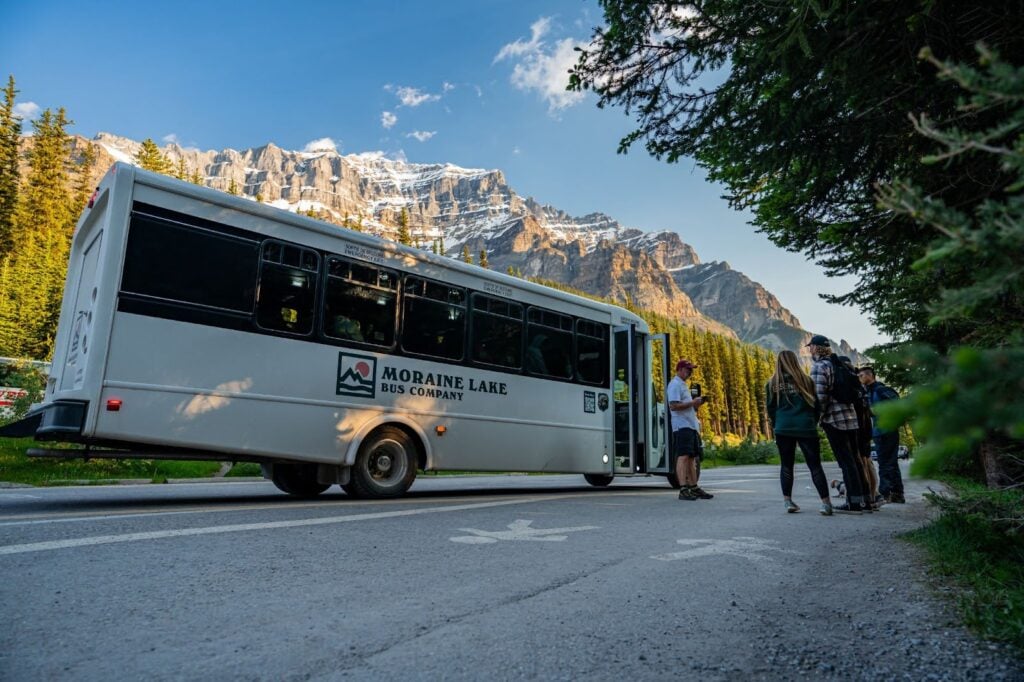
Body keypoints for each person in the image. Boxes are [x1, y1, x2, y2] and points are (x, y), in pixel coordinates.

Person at [766, 350, 833, 515]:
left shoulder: (772, 383)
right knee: (815, 466)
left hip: (783, 427)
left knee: (786, 465)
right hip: (806, 427)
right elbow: (816, 405)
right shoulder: (806, 380)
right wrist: (813, 421)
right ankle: (826, 503)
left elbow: (771, 408)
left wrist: (777, 425)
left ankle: (788, 501)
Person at [808, 335, 869, 513]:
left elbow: (820, 398)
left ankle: (854, 503)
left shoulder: (820, 367)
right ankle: (866, 500)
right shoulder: (840, 364)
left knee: (846, 462)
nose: (809, 350)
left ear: (817, 348)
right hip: (851, 419)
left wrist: (818, 418)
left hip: (834, 420)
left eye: (811, 346)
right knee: (856, 460)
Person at [857, 365, 906, 503]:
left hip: (887, 430)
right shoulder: (869, 391)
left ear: (869, 375)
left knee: (885, 463)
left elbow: (893, 408)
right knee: (891, 462)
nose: (859, 378)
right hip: (880, 431)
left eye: (861, 376)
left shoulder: (880, 390)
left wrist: (873, 411)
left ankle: (884, 494)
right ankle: (898, 494)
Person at [667, 359, 712, 501]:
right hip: (682, 426)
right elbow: (673, 406)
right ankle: (683, 489)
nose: (690, 373)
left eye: (691, 370)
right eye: (687, 370)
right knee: (683, 456)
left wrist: (696, 405)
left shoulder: (683, 385)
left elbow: (686, 406)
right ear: (679, 370)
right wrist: (693, 402)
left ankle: (693, 486)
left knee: (692, 457)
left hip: (690, 425)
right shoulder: (674, 384)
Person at [842, 355, 881, 509]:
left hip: (856, 427)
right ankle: (872, 496)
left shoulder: (849, 382)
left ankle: (863, 498)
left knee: (860, 462)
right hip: (866, 426)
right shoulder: (860, 385)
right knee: (867, 462)